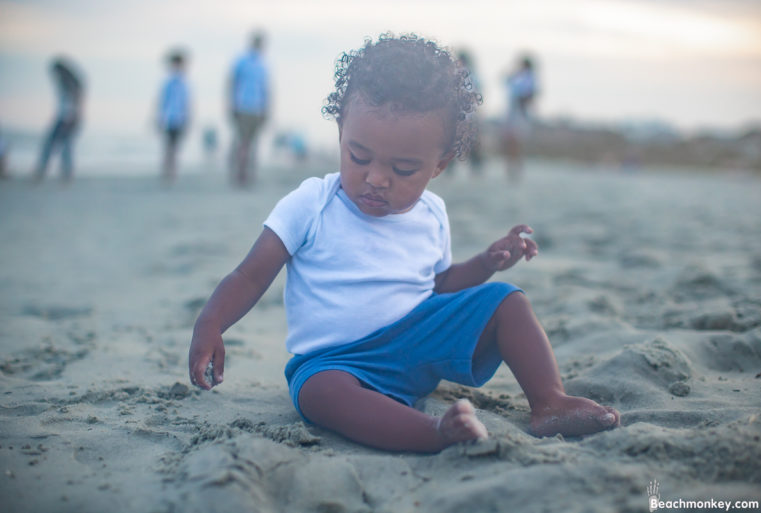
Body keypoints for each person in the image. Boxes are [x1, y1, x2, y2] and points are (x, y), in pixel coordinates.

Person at [188, 34, 619, 453]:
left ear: (439, 165)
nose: (376, 178)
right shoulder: (311, 205)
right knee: (317, 393)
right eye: (359, 157)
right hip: (339, 363)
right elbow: (249, 276)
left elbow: (440, 285)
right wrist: (211, 323)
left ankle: (549, 402)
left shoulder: (431, 214)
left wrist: (487, 263)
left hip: (417, 343)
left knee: (508, 302)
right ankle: (431, 433)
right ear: (341, 131)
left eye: (404, 168)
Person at [228, 31, 270, 187]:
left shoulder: (260, 64)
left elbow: (265, 89)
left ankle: (245, 174)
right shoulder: (246, 62)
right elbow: (233, 82)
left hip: (252, 107)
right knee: (245, 143)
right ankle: (242, 174)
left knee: (248, 143)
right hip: (246, 106)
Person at [34, 57, 84, 183]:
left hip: (67, 119)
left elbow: (73, 104)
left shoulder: (69, 85)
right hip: (65, 118)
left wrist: (70, 118)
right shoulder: (69, 84)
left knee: (59, 146)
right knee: (62, 146)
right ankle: (62, 173)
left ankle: (54, 173)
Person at [446, 48, 484, 176]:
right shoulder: (470, 74)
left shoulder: (464, 74)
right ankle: (456, 165)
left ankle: (472, 164)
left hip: (465, 111)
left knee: (460, 139)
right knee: (464, 139)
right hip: (464, 111)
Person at [157, 50, 191, 183]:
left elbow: (186, 103)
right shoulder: (170, 82)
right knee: (169, 146)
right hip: (170, 118)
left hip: (179, 118)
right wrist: (160, 117)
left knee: (174, 146)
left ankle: (171, 171)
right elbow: (163, 101)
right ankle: (168, 171)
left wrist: (188, 118)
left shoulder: (183, 82)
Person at [502, 54, 538, 179]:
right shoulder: (518, 76)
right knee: (510, 140)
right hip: (513, 110)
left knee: (518, 140)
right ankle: (511, 166)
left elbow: (531, 94)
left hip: (521, 111)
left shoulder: (530, 77)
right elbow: (506, 80)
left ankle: (517, 166)